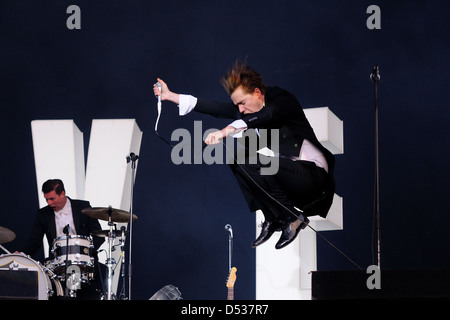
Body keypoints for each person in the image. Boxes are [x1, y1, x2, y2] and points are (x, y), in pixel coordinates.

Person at [153, 60, 335, 249]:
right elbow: (215, 108)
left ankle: (292, 217)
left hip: (314, 177)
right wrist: (170, 96)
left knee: (255, 160)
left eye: (242, 103)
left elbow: (265, 115)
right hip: (290, 179)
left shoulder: (281, 99)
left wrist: (225, 131)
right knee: (238, 160)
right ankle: (272, 218)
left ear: (257, 92)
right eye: (237, 105)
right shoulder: (245, 109)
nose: (240, 110)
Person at [20, 179, 105, 299]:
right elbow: (35, 241)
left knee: (75, 290)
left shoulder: (83, 207)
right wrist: (22, 254)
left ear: (62, 194)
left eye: (52, 199)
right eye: (46, 199)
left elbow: (98, 235)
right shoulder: (43, 214)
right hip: (56, 264)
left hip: (81, 263)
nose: (49, 203)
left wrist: (87, 252)